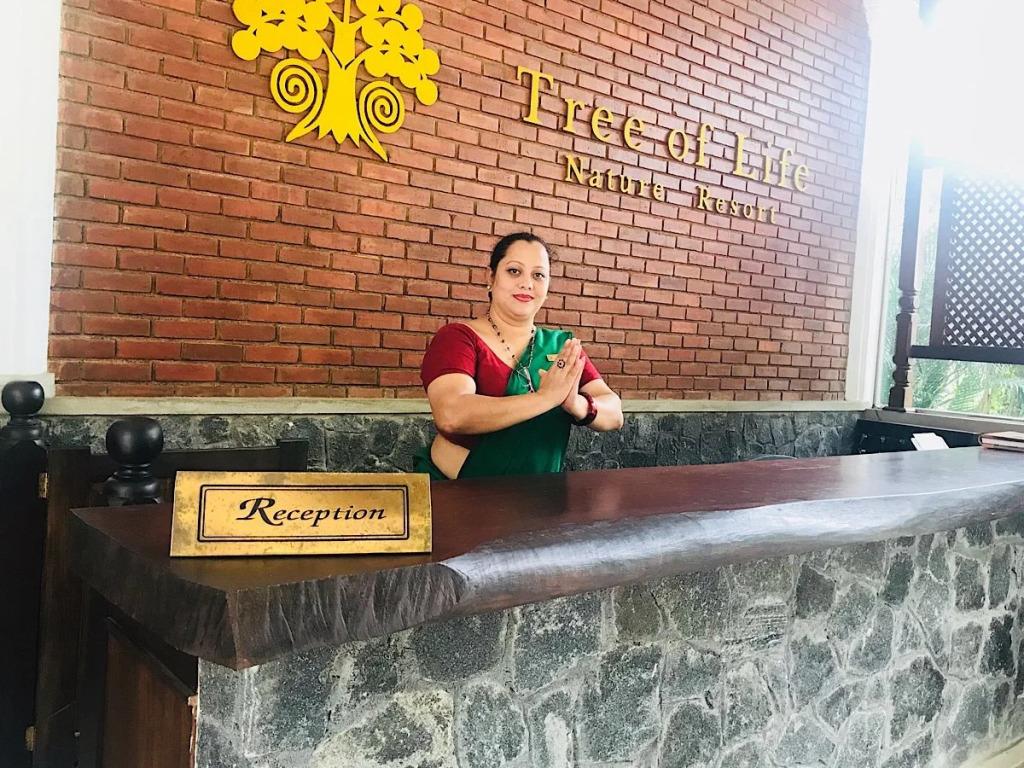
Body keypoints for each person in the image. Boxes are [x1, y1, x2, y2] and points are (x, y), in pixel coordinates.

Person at [414, 232, 624, 480]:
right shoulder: (459, 338)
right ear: (490, 278)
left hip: (539, 497)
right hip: (459, 494)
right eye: (514, 271)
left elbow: (614, 413)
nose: (527, 283)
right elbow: (452, 414)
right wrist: (546, 398)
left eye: (538, 275)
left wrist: (577, 404)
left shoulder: (560, 347)